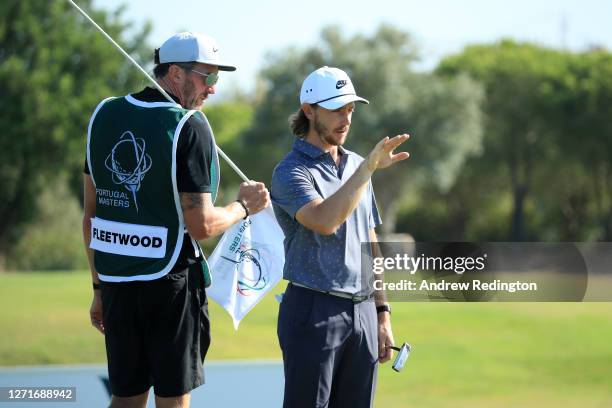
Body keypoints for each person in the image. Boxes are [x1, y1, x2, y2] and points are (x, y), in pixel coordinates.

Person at [82, 32, 270, 408]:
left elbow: (91, 215)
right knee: (172, 399)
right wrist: (243, 207)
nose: (213, 89)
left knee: (126, 397)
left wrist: (99, 288)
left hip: (117, 282)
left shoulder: (103, 114)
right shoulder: (189, 125)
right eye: (208, 77)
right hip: (169, 285)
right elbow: (200, 225)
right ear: (175, 74)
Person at [271, 66, 410, 408]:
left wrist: (382, 313)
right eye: (336, 109)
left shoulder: (358, 165)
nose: (346, 118)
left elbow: (370, 243)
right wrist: (368, 170)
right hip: (313, 310)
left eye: (350, 109)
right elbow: (324, 220)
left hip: (362, 310)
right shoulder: (290, 171)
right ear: (309, 110)